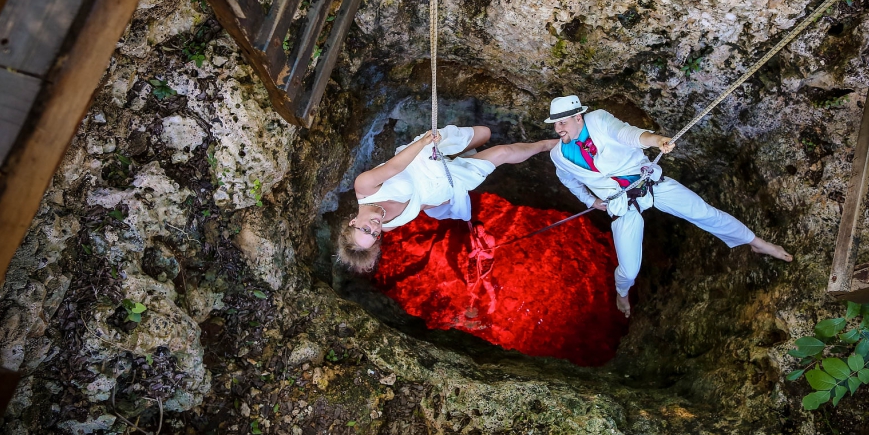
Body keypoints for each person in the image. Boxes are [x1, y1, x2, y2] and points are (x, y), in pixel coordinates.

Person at [547, 95, 792, 318]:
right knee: (629, 271)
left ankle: (757, 243)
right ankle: (622, 293)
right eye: (555, 124)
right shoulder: (558, 155)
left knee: (705, 213)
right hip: (622, 205)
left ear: (578, 117)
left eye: (562, 123)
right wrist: (591, 201)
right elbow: (568, 180)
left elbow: (629, 134)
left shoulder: (598, 120)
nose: (558, 129)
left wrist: (657, 141)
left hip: (650, 183)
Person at [337, 125, 555, 273]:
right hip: (442, 186)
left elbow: (395, 166)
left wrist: (423, 142)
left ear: (353, 223)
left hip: (423, 159)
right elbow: (419, 205)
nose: (374, 228)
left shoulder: (365, 187)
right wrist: (442, 200)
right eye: (374, 235)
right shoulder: (388, 227)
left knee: (484, 134)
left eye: (365, 230)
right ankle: (548, 145)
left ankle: (462, 155)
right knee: (503, 152)